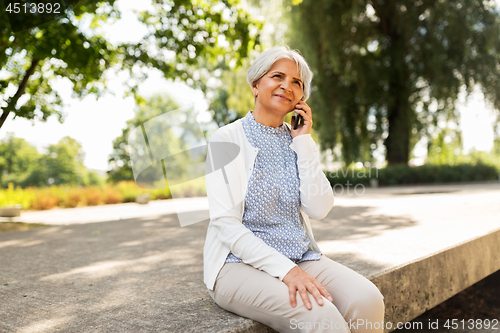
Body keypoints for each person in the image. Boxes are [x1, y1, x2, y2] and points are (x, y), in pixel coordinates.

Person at [203, 46, 384, 333]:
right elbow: (226, 224)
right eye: (277, 76)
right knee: (322, 316)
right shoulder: (225, 140)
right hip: (237, 265)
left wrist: (303, 141)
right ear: (255, 85)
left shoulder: (297, 140)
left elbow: (319, 207)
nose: (287, 86)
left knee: (368, 300)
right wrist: (287, 272)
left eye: (297, 83)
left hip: (299, 257)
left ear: (301, 98)